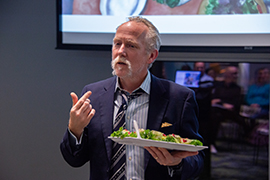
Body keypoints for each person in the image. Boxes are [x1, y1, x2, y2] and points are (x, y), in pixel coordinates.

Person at [60, 16, 204, 180]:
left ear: (151, 56)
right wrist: (74, 130)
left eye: (131, 45)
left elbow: (197, 159)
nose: (120, 51)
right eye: (117, 43)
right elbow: (74, 159)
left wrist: (176, 163)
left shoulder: (179, 98)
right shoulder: (93, 94)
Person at [209, 66, 249, 153]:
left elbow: (235, 103)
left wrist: (221, 101)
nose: (236, 76)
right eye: (233, 73)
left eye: (236, 74)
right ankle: (209, 142)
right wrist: (221, 102)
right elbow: (214, 98)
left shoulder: (237, 88)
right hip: (218, 110)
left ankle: (211, 143)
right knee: (213, 115)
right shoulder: (218, 86)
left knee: (215, 115)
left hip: (231, 113)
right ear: (226, 74)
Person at [193, 62, 214, 179]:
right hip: (192, 117)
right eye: (197, 67)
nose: (199, 69)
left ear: (204, 68)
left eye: (201, 67)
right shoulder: (190, 79)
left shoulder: (208, 80)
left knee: (204, 147)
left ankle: (205, 175)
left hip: (205, 118)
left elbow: (201, 97)